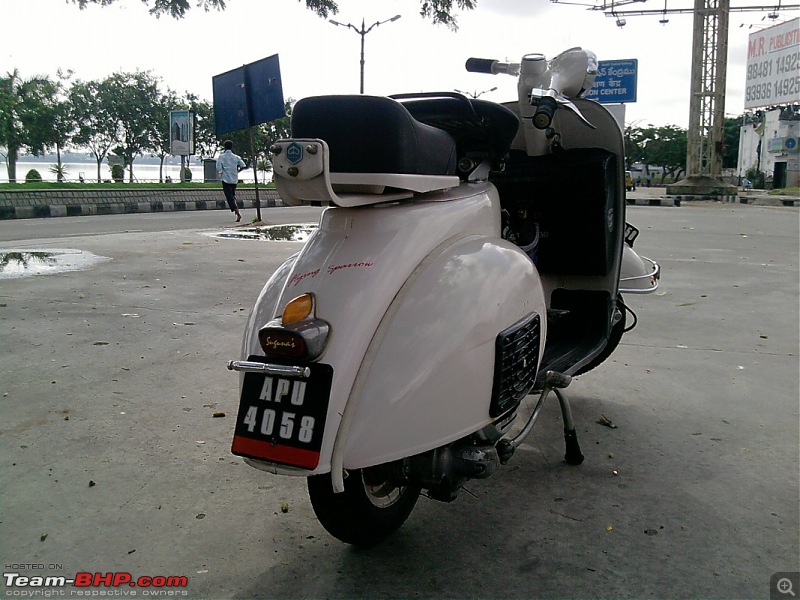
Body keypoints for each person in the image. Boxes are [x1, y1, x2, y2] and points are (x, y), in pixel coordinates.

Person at [216, 140, 246, 222]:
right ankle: (236, 210)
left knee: (229, 197)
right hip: (234, 179)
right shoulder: (236, 157)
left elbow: (218, 168)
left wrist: (221, 172)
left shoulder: (221, 157)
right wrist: (237, 171)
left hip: (226, 179)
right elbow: (243, 165)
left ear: (224, 147)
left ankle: (237, 212)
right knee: (232, 195)